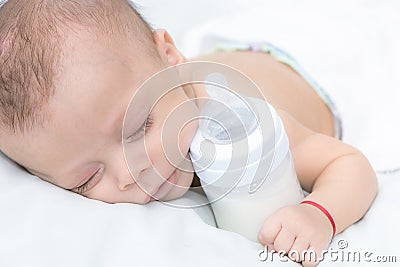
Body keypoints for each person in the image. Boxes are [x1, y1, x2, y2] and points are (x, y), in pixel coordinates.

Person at [0, 0, 377, 266]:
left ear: (169, 58)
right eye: (87, 178)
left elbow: (347, 164)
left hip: (302, 72)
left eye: (138, 126)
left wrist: (318, 214)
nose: (132, 173)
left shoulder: (246, 123)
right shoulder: (135, 97)